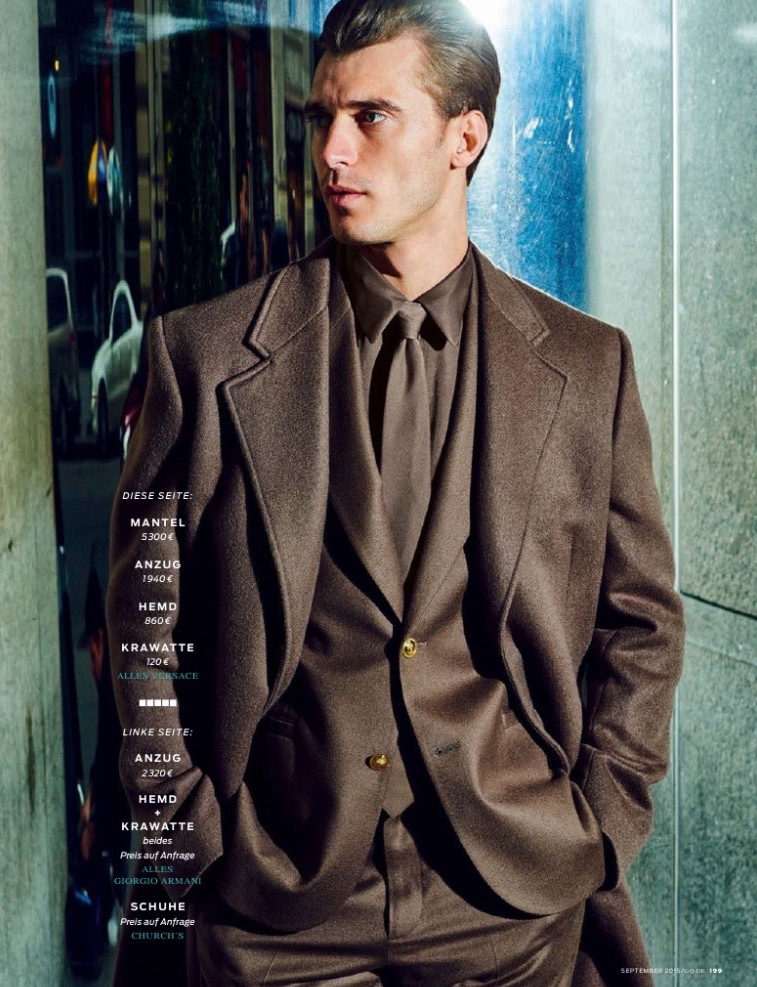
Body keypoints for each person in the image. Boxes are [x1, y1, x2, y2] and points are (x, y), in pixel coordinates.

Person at [107, 2, 685, 985]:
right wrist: (187, 827)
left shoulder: (588, 367)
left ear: (466, 138)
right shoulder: (201, 355)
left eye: (370, 117)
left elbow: (640, 621)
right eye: (322, 117)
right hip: (274, 898)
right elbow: (140, 621)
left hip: (506, 895)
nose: (332, 151)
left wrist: (601, 815)